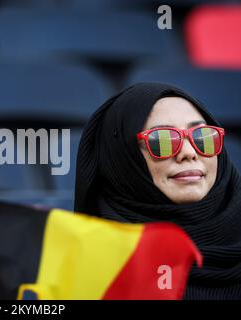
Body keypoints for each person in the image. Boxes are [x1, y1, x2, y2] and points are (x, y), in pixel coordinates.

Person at [74, 82, 241, 299]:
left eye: (203, 137)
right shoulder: (95, 273)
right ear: (123, 159)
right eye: (162, 140)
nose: (189, 152)